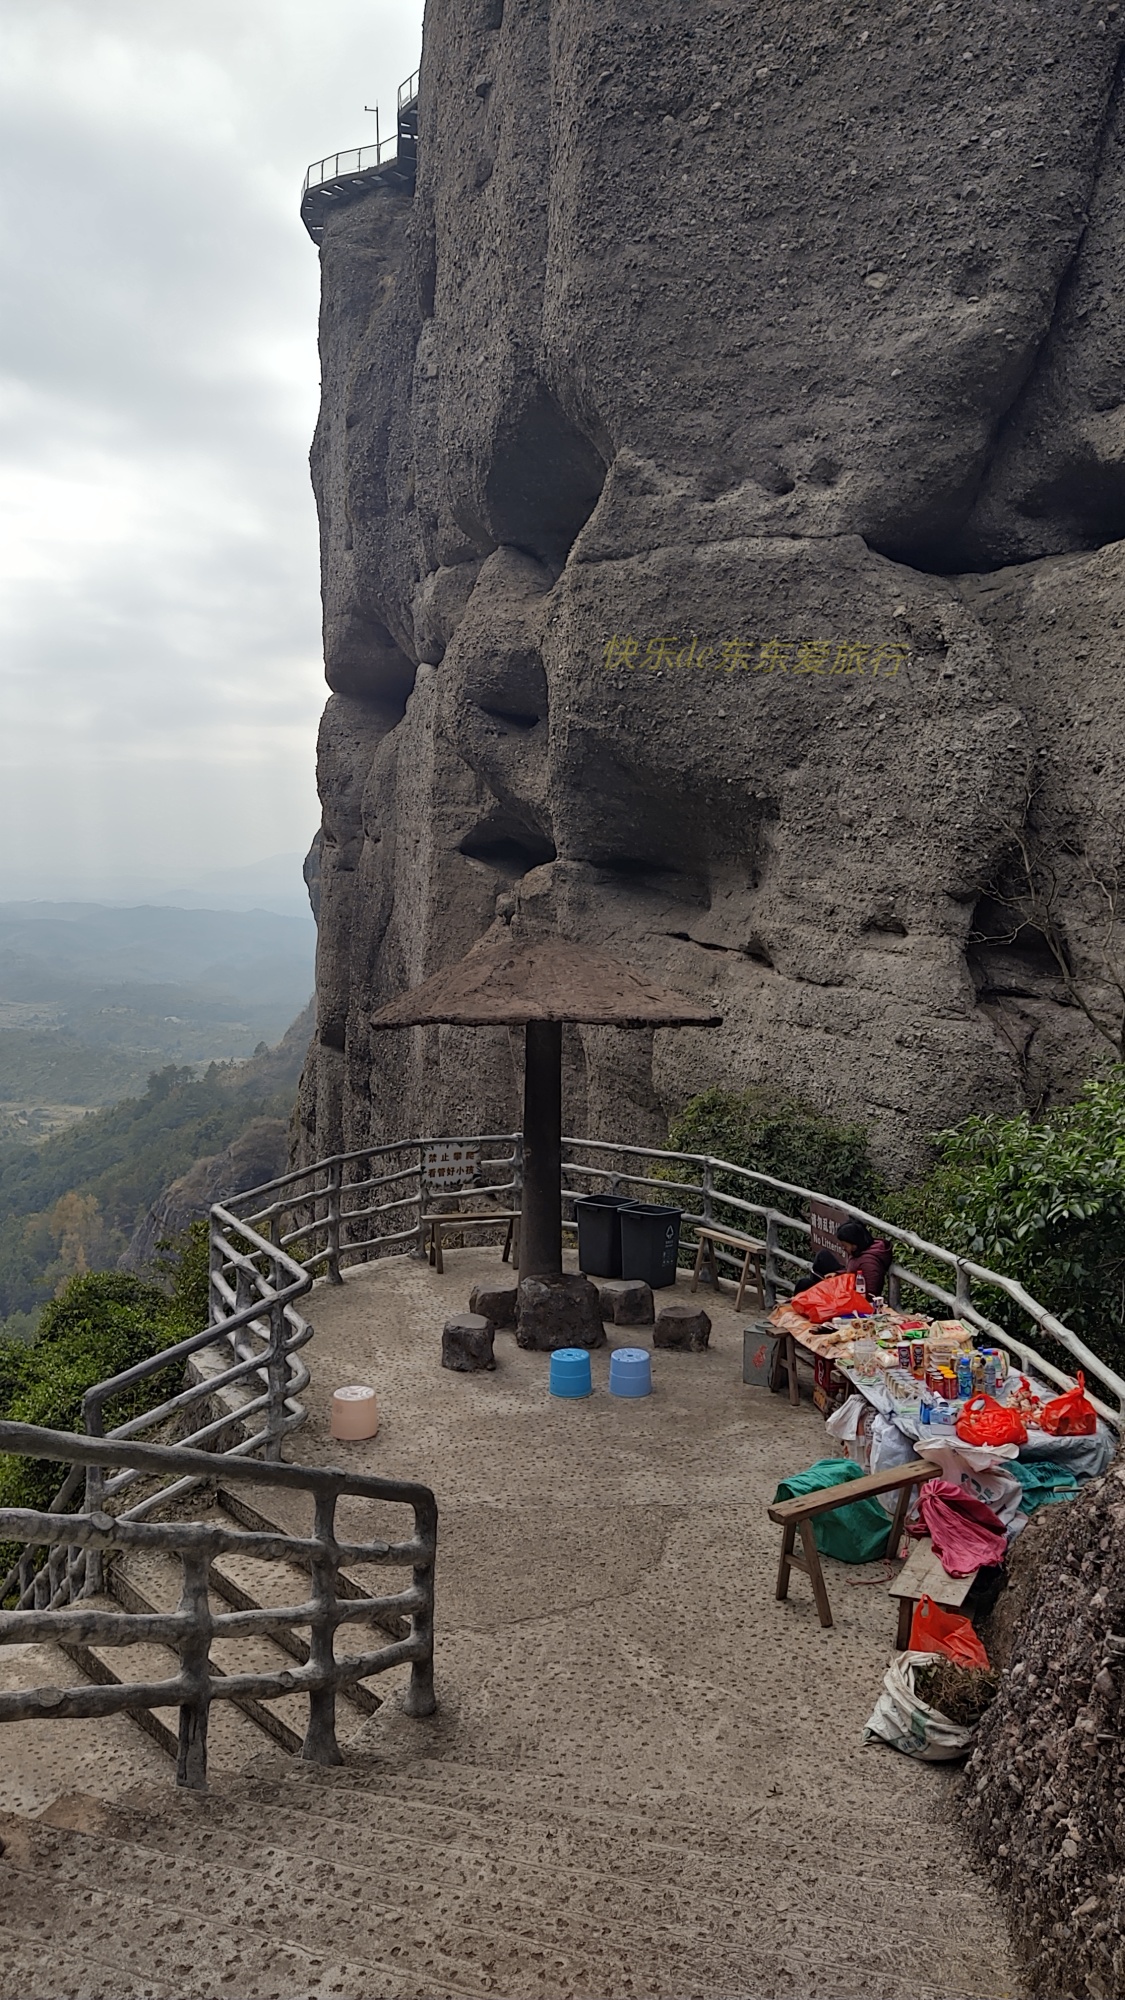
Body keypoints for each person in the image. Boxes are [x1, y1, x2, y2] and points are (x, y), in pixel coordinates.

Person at [836, 1218, 893, 1298]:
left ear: (854, 1245)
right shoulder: (856, 1252)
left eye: (845, 1246)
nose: (843, 1248)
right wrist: (837, 1274)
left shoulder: (869, 1263)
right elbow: (852, 1272)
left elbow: (870, 1293)